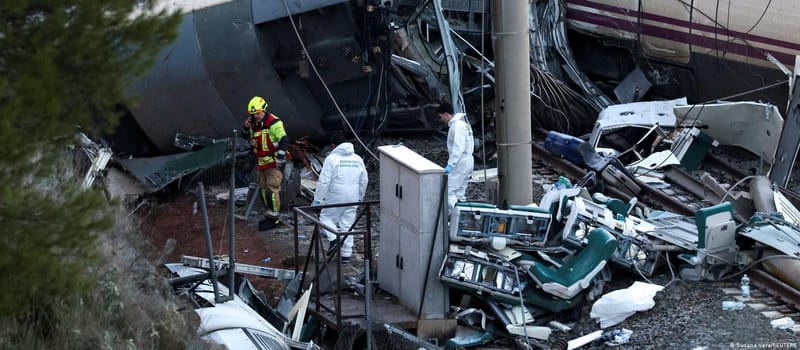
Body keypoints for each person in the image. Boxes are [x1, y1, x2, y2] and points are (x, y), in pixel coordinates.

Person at [312, 132, 368, 264]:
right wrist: (360, 196)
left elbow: (324, 181)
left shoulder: (332, 159)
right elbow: (364, 180)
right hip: (353, 195)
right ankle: (346, 255)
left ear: (333, 145)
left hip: (336, 194)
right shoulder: (357, 159)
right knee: (347, 224)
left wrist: (318, 199)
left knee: (325, 217)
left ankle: (333, 239)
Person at [243, 96, 292, 231]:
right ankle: (269, 214)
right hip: (261, 162)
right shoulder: (254, 124)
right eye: (253, 114)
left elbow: (283, 139)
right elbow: (249, 138)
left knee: (272, 191)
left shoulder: (273, 122)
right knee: (263, 191)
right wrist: (246, 128)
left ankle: (274, 218)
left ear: (264, 110)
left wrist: (281, 156)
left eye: (257, 113)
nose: (255, 116)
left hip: (273, 163)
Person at [437, 102, 474, 209]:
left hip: (460, 162)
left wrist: (450, 165)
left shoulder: (457, 126)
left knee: (448, 192)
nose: (441, 120)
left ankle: (454, 218)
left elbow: (458, 148)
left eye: (441, 117)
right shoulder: (463, 124)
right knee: (460, 193)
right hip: (467, 160)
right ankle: (462, 219)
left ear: (446, 114)